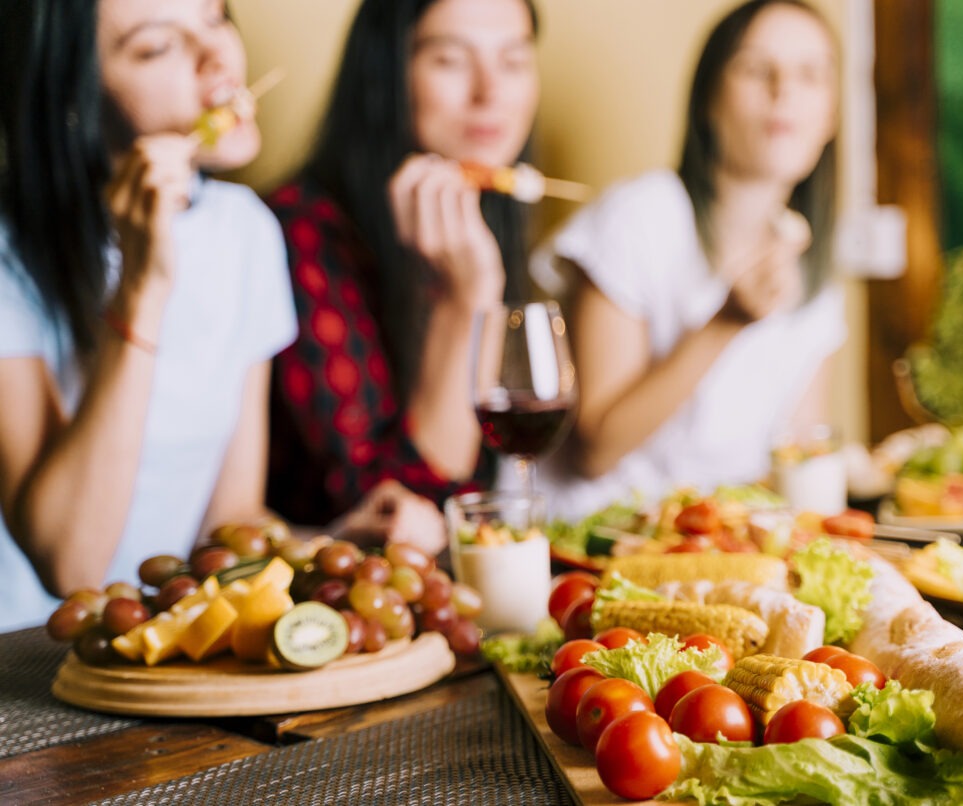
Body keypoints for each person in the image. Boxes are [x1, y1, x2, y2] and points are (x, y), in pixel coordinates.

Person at [0, 0, 430, 633]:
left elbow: (228, 518)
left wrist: (337, 541)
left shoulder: (245, 230)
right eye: (156, 47)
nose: (218, 57)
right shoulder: (11, 251)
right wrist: (141, 291)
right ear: (74, 99)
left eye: (214, 17)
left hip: (164, 650)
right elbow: (70, 563)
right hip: (29, 665)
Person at [531, 0, 845, 520]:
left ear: (831, 115)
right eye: (755, 68)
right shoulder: (639, 218)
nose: (783, 90)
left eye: (810, 75)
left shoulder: (812, 268)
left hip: (715, 544)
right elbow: (595, 451)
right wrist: (725, 323)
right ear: (708, 99)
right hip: (592, 542)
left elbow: (799, 459)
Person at [266, 0, 540, 527]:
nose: (491, 93)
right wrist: (469, 299)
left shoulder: (489, 217)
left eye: (513, 61)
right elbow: (400, 510)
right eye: (451, 60)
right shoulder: (299, 232)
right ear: (387, 73)